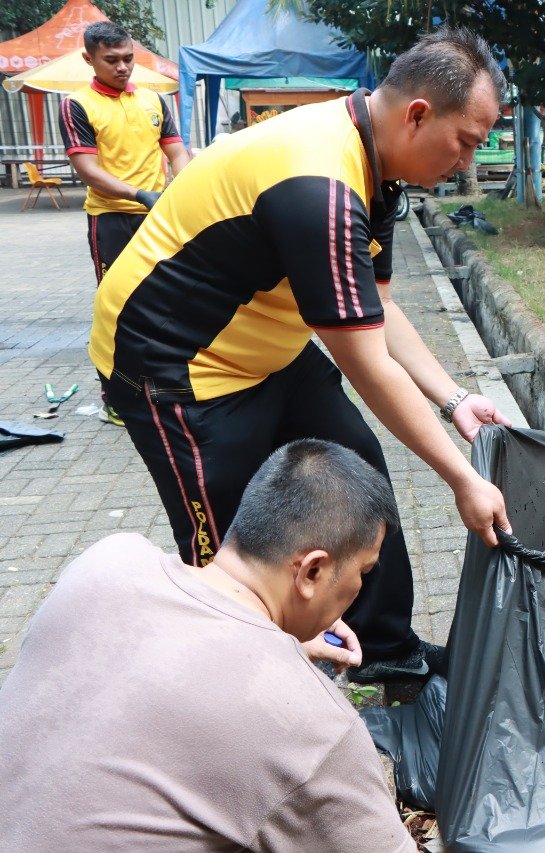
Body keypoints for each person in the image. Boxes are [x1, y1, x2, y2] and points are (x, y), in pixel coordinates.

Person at [88, 27, 512, 685]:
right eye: (466, 141)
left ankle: (385, 649)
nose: (466, 162)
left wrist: (453, 398)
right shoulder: (321, 183)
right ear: (417, 115)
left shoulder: (377, 166)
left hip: (267, 347)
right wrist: (463, 479)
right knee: (232, 555)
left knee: (358, 471)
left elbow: (380, 308)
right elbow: (366, 363)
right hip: (176, 365)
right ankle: (242, 687)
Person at [0, 440, 416, 851]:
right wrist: (275, 671)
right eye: (364, 571)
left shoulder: (108, 560)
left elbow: (165, 662)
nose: (361, 585)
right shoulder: (314, 724)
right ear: (312, 572)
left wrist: (269, 644)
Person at [58, 20, 190, 426]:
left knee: (166, 300)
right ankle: (115, 398)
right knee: (117, 308)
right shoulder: (78, 104)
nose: (122, 67)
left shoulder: (153, 100)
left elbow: (177, 152)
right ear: (89, 59)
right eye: (111, 59)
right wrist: (139, 195)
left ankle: (162, 388)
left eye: (128, 58)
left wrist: (185, 186)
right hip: (111, 219)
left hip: (157, 218)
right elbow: (88, 169)